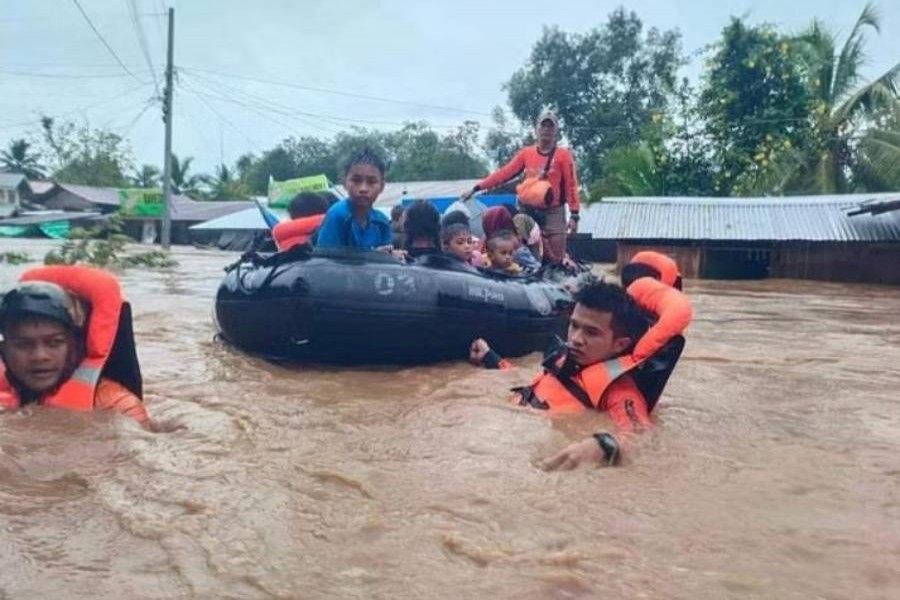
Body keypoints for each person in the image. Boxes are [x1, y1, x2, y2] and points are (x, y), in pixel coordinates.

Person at [470, 277, 692, 469]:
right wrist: (491, 358)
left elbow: (643, 437)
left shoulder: (620, 393)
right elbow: (533, 386)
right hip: (493, 437)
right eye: (574, 325)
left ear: (619, 344)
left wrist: (602, 445)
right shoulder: (565, 360)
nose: (575, 338)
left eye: (591, 332)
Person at [0, 266, 150, 427]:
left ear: (75, 345)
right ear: (4, 350)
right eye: (23, 345)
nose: (39, 356)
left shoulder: (118, 406)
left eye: (55, 343)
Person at [460, 108, 580, 263]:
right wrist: (477, 188)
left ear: (556, 130)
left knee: (556, 258)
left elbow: (571, 185)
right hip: (527, 211)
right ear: (536, 129)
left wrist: (574, 215)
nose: (546, 130)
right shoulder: (527, 153)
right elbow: (504, 173)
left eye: (550, 126)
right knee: (520, 251)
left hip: (553, 212)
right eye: (543, 126)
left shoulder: (563, 155)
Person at [315, 148, 392, 250]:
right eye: (356, 180)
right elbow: (327, 262)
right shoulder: (337, 216)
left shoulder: (381, 221)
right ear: (344, 183)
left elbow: (386, 254)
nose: (363, 189)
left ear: (382, 187)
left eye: (371, 182)